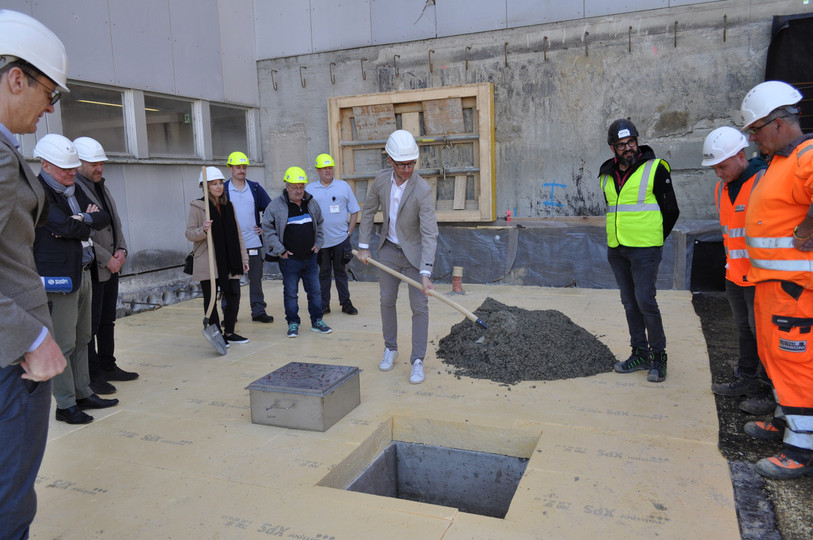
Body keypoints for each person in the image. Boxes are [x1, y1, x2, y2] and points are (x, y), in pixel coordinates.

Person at [0, 10, 69, 536]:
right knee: (11, 502)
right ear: (15, 77)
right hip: (12, 360)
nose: (51, 106)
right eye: (50, 92)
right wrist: (34, 335)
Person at [739, 80, 813, 479]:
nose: (754, 138)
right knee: (777, 361)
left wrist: (808, 228)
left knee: (796, 363)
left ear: (780, 124)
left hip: (795, 290)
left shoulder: (806, 155)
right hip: (772, 286)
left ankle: (801, 450)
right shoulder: (779, 163)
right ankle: (787, 422)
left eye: (756, 130)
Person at [33, 134, 119, 425]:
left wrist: (79, 221)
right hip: (60, 279)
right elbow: (62, 225)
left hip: (83, 272)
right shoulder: (39, 193)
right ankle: (65, 403)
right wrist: (84, 220)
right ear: (45, 165)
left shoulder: (72, 189)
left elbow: (101, 218)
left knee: (83, 337)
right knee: (65, 343)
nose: (72, 173)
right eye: (65, 169)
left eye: (73, 168)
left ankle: (83, 391)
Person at [598, 119, 680, 383]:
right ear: (613, 148)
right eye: (621, 145)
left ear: (637, 141)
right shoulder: (606, 174)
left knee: (645, 300)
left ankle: (659, 356)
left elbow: (671, 210)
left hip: (645, 249)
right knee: (630, 302)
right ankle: (639, 352)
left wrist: (655, 238)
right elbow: (614, 210)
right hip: (617, 249)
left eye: (631, 142)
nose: (628, 148)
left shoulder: (655, 168)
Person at [701, 127, 774, 415]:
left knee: (764, 336)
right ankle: (747, 378)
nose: (718, 174)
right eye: (714, 168)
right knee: (743, 330)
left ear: (740, 156)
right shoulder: (722, 189)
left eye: (722, 166)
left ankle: (769, 392)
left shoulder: (762, 180)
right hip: (735, 275)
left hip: (762, 277)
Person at [356, 130, 439, 385]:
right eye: (402, 163)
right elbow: (368, 212)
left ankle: (417, 361)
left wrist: (425, 272)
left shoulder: (422, 190)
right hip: (389, 250)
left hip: (414, 254)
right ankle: (390, 348)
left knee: (419, 307)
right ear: (389, 160)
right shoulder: (380, 181)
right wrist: (363, 246)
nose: (407, 169)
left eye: (411, 163)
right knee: (386, 300)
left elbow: (430, 233)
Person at [74, 136, 138, 395]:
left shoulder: (101, 186)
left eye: (100, 163)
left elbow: (115, 222)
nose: (99, 168)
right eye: (93, 164)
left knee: (107, 320)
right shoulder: (76, 190)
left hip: (112, 264)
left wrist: (121, 250)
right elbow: (82, 232)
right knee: (90, 323)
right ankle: (92, 374)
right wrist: (107, 258)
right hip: (96, 267)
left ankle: (108, 364)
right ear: (79, 164)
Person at [261, 166, 332, 338]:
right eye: (294, 187)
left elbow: (320, 223)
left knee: (315, 291)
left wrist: (318, 244)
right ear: (287, 186)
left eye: (301, 187)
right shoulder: (276, 206)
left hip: (310, 258)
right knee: (291, 293)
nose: (298, 190)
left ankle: (317, 321)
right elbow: (267, 229)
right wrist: (280, 250)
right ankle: (293, 323)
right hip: (289, 259)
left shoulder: (311, 202)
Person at [185, 166, 249, 345]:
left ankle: (229, 332)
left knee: (234, 294)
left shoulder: (228, 206)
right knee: (211, 298)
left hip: (230, 260)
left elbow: (238, 234)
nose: (219, 187)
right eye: (214, 184)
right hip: (209, 262)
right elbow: (189, 233)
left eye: (220, 183)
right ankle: (216, 333)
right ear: (205, 187)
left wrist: (244, 258)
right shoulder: (197, 206)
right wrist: (203, 230)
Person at [306, 153, 360, 315]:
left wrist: (349, 232)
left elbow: (355, 211)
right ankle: (324, 304)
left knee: (341, 272)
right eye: (324, 168)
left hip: (341, 240)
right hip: (321, 242)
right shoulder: (309, 189)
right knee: (323, 273)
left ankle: (345, 302)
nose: (327, 171)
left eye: (329, 167)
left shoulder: (343, 186)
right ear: (317, 170)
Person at [224, 151, 273, 324]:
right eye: (238, 167)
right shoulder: (222, 189)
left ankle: (258, 311)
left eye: (244, 167)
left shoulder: (255, 188)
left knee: (255, 279)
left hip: (252, 242)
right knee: (230, 281)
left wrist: (263, 227)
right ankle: (229, 314)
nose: (241, 170)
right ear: (230, 169)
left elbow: (271, 209)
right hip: (231, 245)